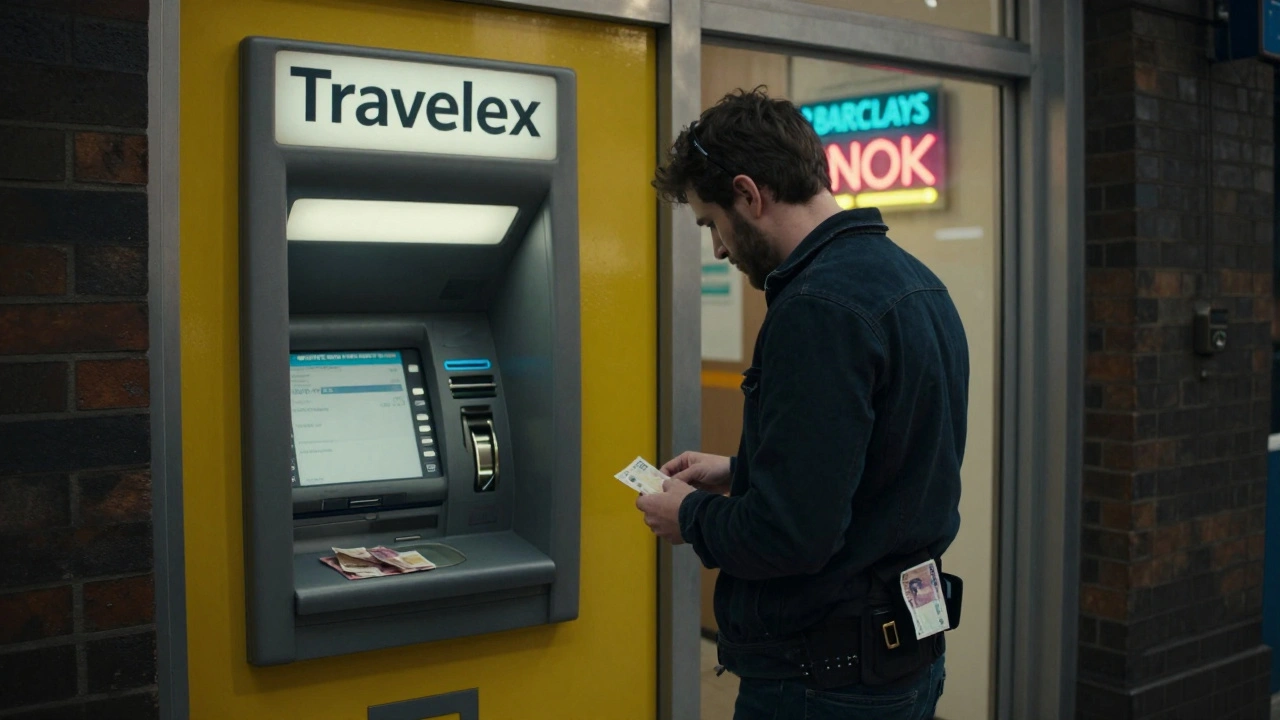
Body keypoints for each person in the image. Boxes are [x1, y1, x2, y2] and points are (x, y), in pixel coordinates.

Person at [635, 87, 970, 720]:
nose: (719, 250)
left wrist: (694, 517)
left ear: (749, 194)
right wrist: (742, 471)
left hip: (822, 683)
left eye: (712, 224)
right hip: (902, 657)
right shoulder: (917, 282)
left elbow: (792, 537)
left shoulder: (816, 309)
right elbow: (885, 466)